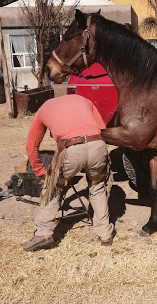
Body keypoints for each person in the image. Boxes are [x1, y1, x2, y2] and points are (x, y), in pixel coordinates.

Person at [22, 94, 115, 252]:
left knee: (53, 188)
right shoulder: (84, 100)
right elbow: (102, 129)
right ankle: (105, 234)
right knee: (97, 187)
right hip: (98, 145)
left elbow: (31, 146)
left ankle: (43, 233)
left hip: (71, 149)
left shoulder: (43, 109)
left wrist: (40, 172)